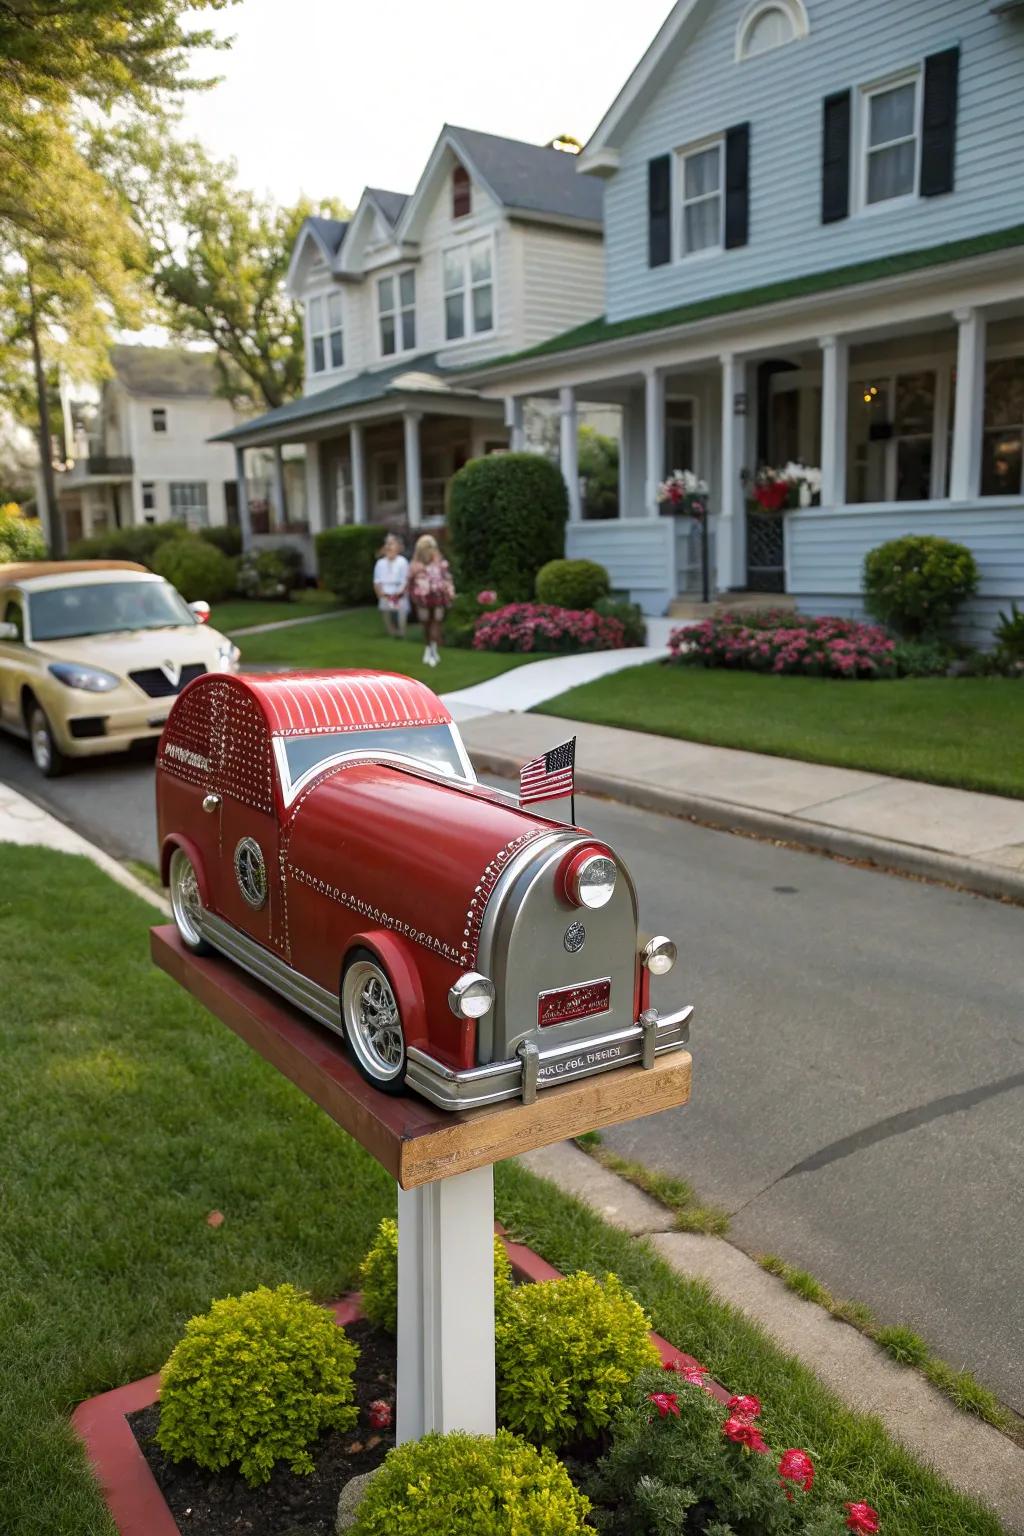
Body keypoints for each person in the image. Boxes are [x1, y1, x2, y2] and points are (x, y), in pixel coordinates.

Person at [408, 533, 455, 667]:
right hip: (427, 597)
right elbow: (409, 581)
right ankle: (430, 648)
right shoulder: (419, 565)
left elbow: (447, 578)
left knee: (432, 622)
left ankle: (431, 648)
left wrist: (450, 591)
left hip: (431, 596)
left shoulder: (436, 563)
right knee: (430, 622)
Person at [372, 534, 409, 637]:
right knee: (387, 617)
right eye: (387, 544)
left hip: (398, 593)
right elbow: (377, 581)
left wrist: (398, 593)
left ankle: (401, 634)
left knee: (401, 619)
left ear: (398, 547)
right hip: (385, 593)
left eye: (391, 544)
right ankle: (391, 633)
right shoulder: (380, 563)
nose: (389, 547)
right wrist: (380, 593)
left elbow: (405, 580)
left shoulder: (402, 562)